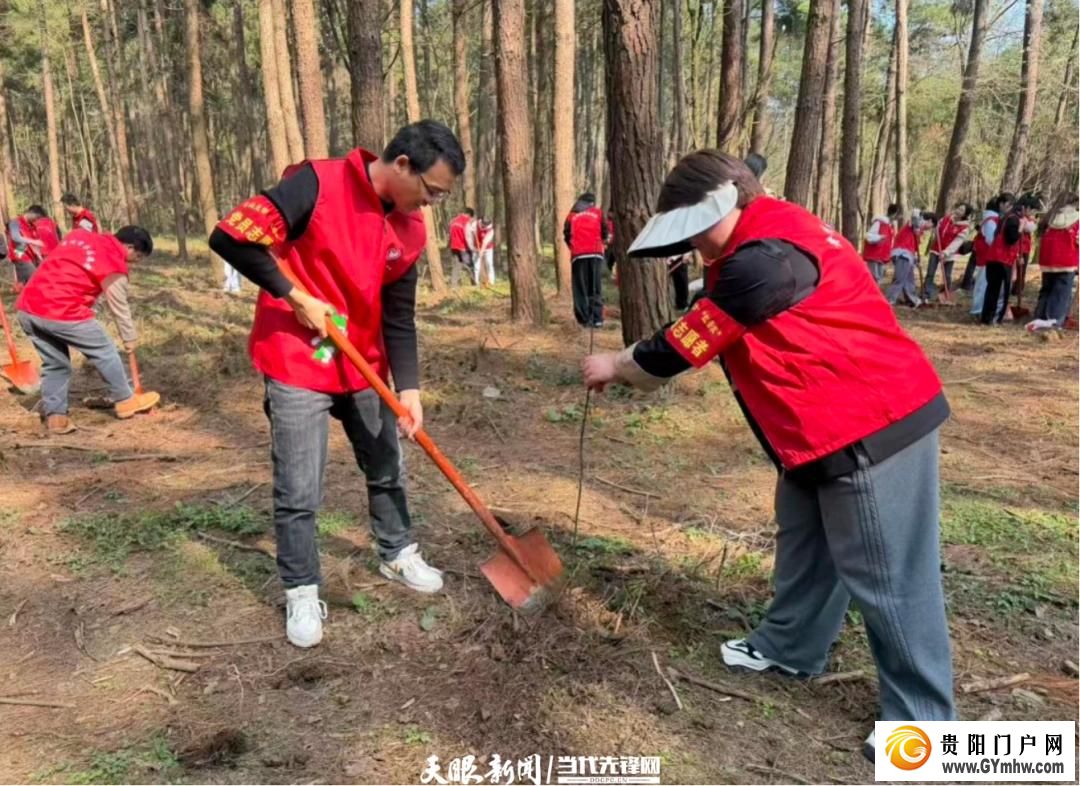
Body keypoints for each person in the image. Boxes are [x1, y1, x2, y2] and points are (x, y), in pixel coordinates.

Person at [582, 151, 955, 761]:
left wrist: (617, 364)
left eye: (697, 228)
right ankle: (791, 646)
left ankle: (928, 728)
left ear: (725, 206)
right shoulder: (765, 237)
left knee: (890, 576)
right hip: (813, 432)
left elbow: (686, 343)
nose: (696, 244)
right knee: (806, 541)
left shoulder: (766, 259)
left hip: (869, 424)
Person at [208, 120, 463, 649]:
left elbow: (398, 316)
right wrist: (293, 294)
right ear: (401, 166)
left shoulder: (410, 229)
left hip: (362, 362)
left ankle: (397, 552)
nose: (433, 203)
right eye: (432, 190)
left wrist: (409, 389)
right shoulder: (317, 184)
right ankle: (302, 588)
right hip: (297, 358)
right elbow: (229, 236)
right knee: (299, 486)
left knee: (386, 464)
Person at [15, 226, 161, 433]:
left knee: (56, 363)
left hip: (28, 307)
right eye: (138, 256)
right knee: (105, 351)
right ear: (130, 247)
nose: (137, 262)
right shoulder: (114, 264)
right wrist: (130, 339)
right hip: (61, 309)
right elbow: (119, 308)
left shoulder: (78, 236)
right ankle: (126, 400)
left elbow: (70, 271)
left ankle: (56, 418)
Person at [1031, 193, 1079, 328]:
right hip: (1067, 261)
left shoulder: (1049, 217)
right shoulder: (1077, 219)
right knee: (1061, 293)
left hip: (1047, 261)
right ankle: (1053, 320)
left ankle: (1039, 316)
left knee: (1046, 290)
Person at [564, 192, 610, 327]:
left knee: (580, 287)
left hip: (578, 255)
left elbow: (566, 234)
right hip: (596, 253)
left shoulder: (572, 215)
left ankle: (584, 319)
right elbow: (605, 231)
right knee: (595, 286)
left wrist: (573, 247)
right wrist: (602, 242)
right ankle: (597, 318)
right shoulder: (598, 213)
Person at [979, 195, 1023, 325]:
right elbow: (1011, 239)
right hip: (1003, 259)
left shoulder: (1002, 219)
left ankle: (986, 318)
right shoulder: (1013, 219)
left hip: (992, 258)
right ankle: (995, 318)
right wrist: (1020, 230)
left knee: (991, 289)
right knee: (1001, 291)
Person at [923, 202, 974, 301]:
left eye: (962, 210)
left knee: (947, 275)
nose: (958, 211)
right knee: (930, 272)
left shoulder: (964, 228)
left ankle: (945, 294)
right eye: (959, 208)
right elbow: (937, 228)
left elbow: (957, 242)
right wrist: (935, 228)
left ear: (965, 214)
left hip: (949, 254)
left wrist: (946, 252)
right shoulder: (946, 218)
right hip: (936, 249)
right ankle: (927, 293)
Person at [885, 209, 930, 308]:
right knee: (900, 279)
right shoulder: (913, 225)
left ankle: (913, 300)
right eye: (931, 224)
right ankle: (889, 300)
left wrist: (915, 260)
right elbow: (914, 218)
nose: (930, 228)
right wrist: (918, 216)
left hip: (908, 256)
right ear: (927, 221)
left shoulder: (919, 232)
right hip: (902, 255)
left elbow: (913, 246)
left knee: (909, 280)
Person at [8, 206, 47, 286]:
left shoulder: (32, 226)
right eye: (37, 217)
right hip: (20, 254)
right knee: (36, 280)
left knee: (31, 283)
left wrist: (40, 257)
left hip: (31, 256)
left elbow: (35, 244)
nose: (37, 220)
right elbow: (15, 237)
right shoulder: (15, 222)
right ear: (31, 213)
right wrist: (34, 241)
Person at [862, 203, 900, 283]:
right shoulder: (879, 223)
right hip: (874, 255)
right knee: (873, 278)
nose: (897, 217)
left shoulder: (890, 226)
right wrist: (880, 237)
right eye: (897, 215)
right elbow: (868, 236)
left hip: (882, 256)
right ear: (894, 214)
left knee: (879, 278)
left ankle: (874, 294)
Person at [448, 207, 476, 287]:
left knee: (456, 265)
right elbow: (468, 237)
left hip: (453, 247)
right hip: (463, 247)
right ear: (469, 215)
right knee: (469, 265)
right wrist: (472, 248)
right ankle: (473, 283)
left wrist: (449, 244)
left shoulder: (453, 221)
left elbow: (450, 234)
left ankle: (454, 284)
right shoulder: (467, 222)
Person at [474, 217, 495, 286]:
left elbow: (484, 243)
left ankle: (491, 281)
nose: (483, 227)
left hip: (488, 249)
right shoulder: (476, 224)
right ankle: (476, 282)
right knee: (476, 265)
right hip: (476, 248)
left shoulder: (490, 230)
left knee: (489, 264)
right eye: (483, 225)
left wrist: (481, 251)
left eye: (485, 226)